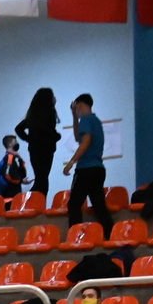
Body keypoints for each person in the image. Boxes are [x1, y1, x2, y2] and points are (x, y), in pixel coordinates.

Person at [62, 93, 111, 232]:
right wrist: (74, 117)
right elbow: (78, 137)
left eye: (76, 107)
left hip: (85, 169)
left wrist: (72, 162)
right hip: (98, 168)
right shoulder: (95, 121)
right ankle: (111, 234)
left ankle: (75, 236)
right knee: (99, 206)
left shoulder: (86, 120)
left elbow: (85, 142)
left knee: (74, 204)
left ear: (79, 105)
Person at [16, 87, 63, 197]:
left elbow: (19, 129)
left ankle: (34, 201)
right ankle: (32, 201)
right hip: (47, 150)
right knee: (43, 180)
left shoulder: (33, 115)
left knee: (40, 179)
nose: (55, 98)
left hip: (34, 150)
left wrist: (29, 139)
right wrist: (57, 136)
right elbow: (49, 134)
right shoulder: (50, 114)